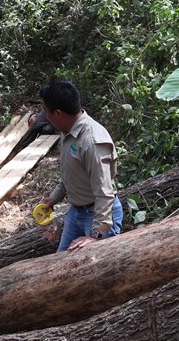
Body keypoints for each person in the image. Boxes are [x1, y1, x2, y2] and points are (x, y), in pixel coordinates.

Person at [37, 79, 123, 252]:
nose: (44, 115)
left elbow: (104, 193)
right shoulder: (67, 132)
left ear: (58, 113)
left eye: (45, 110)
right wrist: (54, 198)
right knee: (60, 262)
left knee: (95, 266)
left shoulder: (92, 142)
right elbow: (72, 173)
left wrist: (96, 234)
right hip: (76, 212)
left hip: (99, 216)